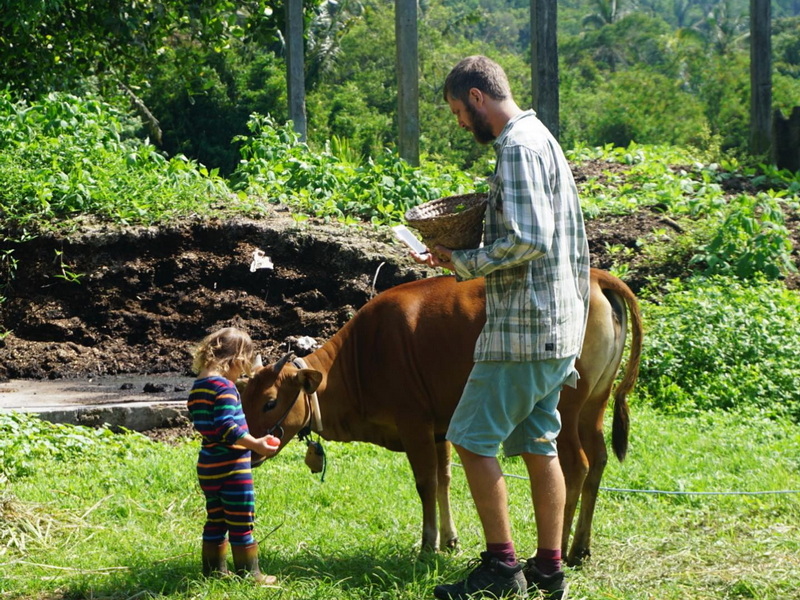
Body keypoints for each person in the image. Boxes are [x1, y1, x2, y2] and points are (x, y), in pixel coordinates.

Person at [413, 56, 590, 600]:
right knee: (540, 442)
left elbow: (527, 241)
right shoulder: (543, 137)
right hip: (557, 326)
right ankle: (549, 568)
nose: (461, 124)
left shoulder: (516, 147)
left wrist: (460, 261)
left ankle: (501, 567)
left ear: (477, 96)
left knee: (468, 438)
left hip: (523, 330)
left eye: (458, 112)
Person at [187, 326, 281, 584]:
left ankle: (213, 571)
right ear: (238, 359)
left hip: (208, 464)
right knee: (242, 522)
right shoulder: (225, 388)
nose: (241, 373)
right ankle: (250, 574)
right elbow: (228, 428)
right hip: (231, 468)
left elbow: (204, 423)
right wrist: (256, 444)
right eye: (243, 368)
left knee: (215, 519)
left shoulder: (199, 387)